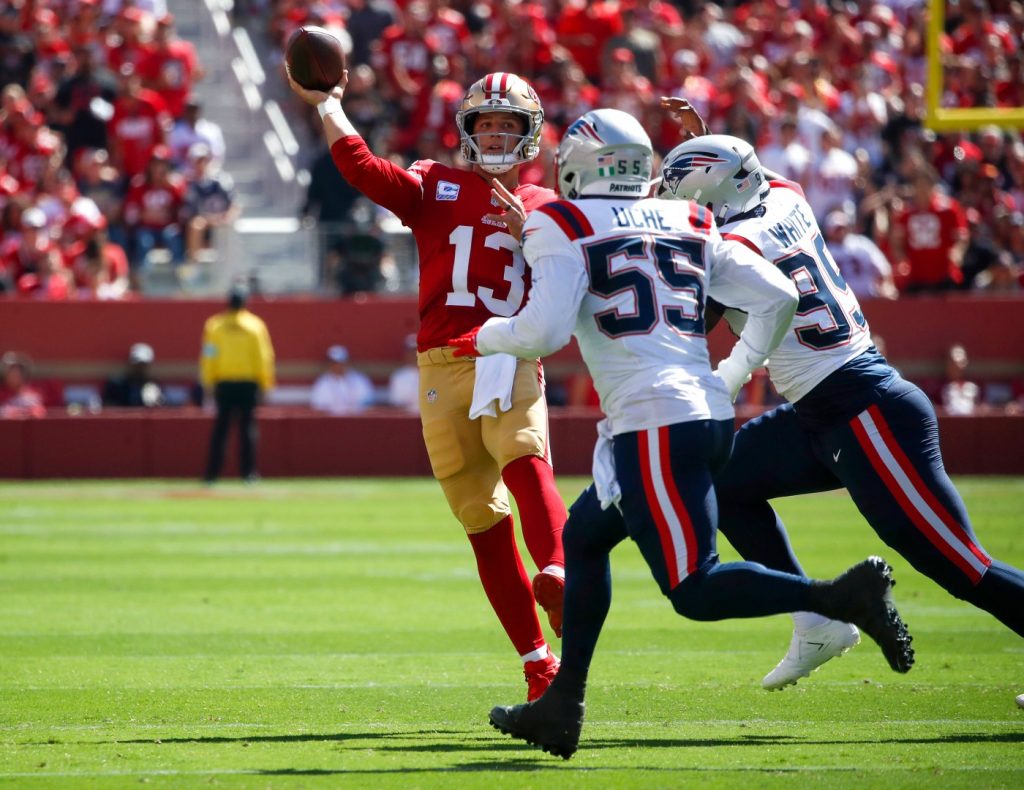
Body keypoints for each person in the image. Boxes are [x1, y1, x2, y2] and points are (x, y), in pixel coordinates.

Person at [455, 110, 914, 759]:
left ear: (581, 165)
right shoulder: (689, 218)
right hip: (692, 414)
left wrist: (481, 336)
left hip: (654, 423)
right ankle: (564, 704)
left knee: (693, 588)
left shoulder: (561, 220)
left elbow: (542, 332)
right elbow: (779, 295)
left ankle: (837, 600)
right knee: (583, 538)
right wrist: (730, 372)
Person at [658, 131, 1024, 692]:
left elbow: (692, 319)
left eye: (688, 198)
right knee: (724, 481)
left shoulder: (737, 246)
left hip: (865, 411)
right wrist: (707, 141)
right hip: (822, 412)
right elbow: (745, 180)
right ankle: (817, 620)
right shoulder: (787, 197)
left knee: (959, 565)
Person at [287, 67, 569, 700]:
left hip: (507, 351)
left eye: (508, 124)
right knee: (480, 519)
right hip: (441, 365)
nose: (496, 134)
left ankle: (556, 568)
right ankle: (537, 663)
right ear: (466, 130)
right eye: (486, 122)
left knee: (526, 460)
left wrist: (538, 237)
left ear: (529, 134)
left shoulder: (548, 208)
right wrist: (330, 105)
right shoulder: (435, 184)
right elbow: (363, 169)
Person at [200, 286, 276, 483]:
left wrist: (208, 382)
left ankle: (212, 474)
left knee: (221, 430)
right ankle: (248, 473)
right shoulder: (255, 326)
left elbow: (209, 356)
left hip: (224, 383)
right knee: (247, 429)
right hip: (247, 383)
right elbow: (263, 357)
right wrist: (265, 383)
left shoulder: (215, 325)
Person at [310, 345, 375, 415]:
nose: (338, 366)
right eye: (334, 363)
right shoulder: (322, 383)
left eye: (341, 362)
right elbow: (318, 407)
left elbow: (369, 404)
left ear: (347, 362)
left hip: (357, 421)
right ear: (329, 364)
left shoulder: (360, 380)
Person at [102, 342, 165, 407]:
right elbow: (108, 406)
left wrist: (155, 404)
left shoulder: (154, 386)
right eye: (137, 365)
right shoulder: (117, 385)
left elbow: (162, 408)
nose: (140, 368)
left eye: (143, 365)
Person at [387, 334, 420, 413]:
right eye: (411, 351)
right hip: (406, 419)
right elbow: (395, 404)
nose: (414, 355)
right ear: (406, 353)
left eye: (417, 351)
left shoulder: (431, 374)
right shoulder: (398, 377)